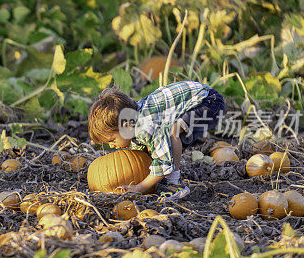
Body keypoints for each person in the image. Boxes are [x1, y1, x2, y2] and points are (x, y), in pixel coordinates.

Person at [87, 81, 226, 200]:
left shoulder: (147, 126)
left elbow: (162, 160)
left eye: (112, 140)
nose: (112, 145)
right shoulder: (134, 122)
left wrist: (140, 187)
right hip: (195, 103)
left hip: (209, 102)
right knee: (155, 146)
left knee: (172, 134)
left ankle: (175, 184)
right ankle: (170, 177)